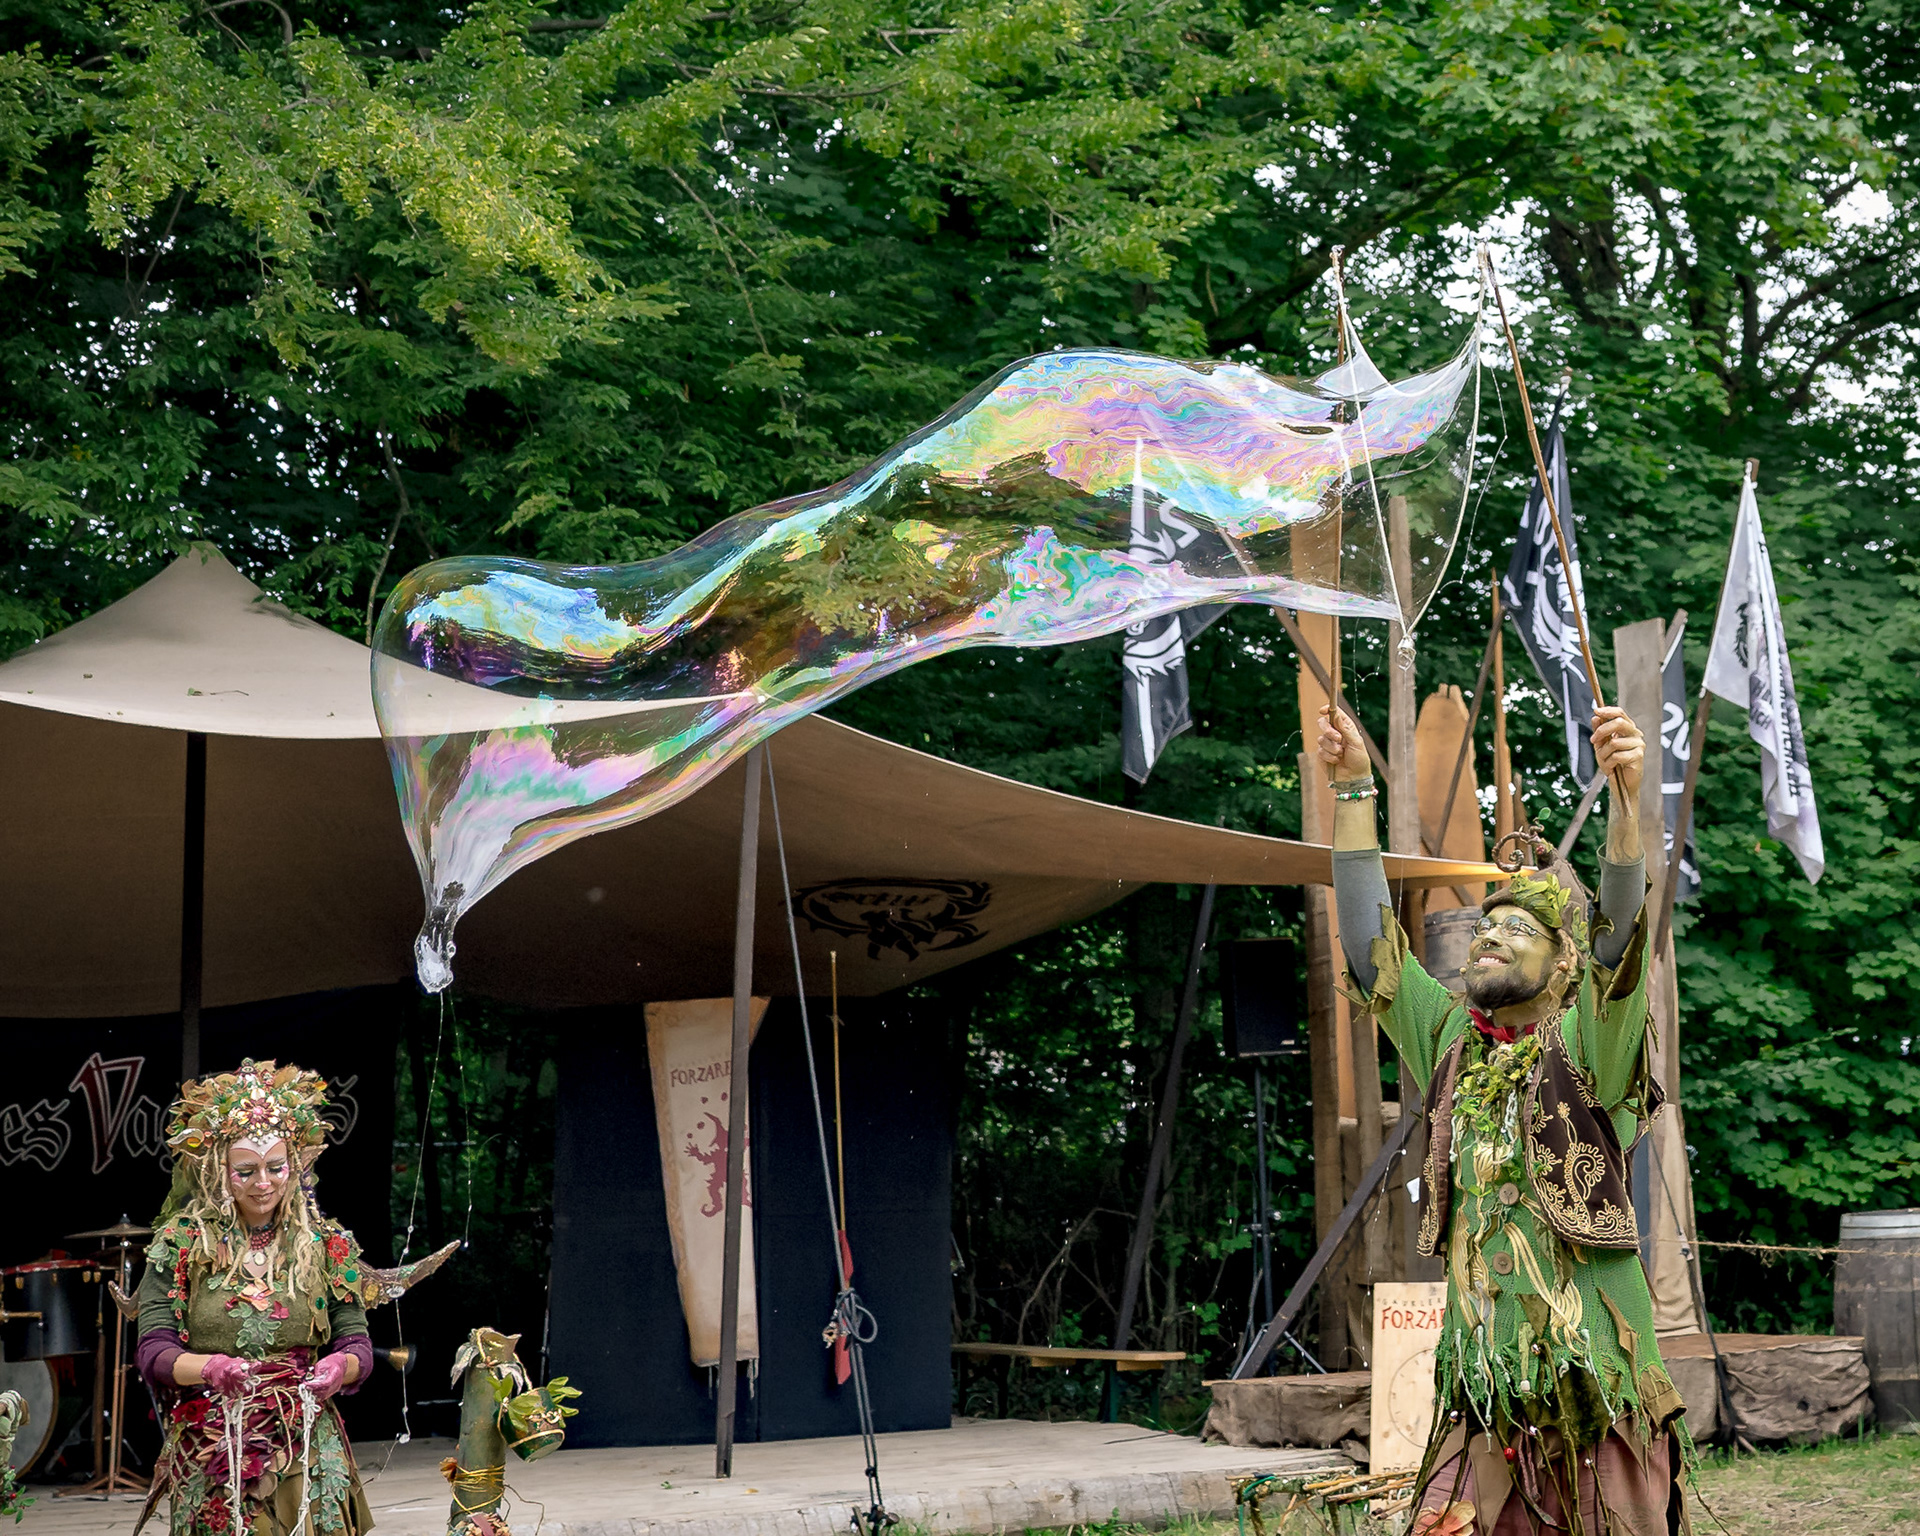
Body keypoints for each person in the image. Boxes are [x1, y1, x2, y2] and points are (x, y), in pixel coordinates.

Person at [1317, 701, 1691, 1536]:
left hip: (1599, 1388)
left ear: (1564, 964)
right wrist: (1351, 792)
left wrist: (1627, 803)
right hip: (1484, 1396)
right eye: (1486, 924)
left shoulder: (1593, 1038)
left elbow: (1620, 943)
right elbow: (1369, 948)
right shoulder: (1448, 1036)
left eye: (1519, 927)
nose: (1491, 936)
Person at [133, 1060, 398, 1536]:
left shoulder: (326, 1244)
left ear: (295, 1166)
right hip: (214, 1440)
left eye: (276, 1167)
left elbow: (356, 1344)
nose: (263, 1183)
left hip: (305, 1443)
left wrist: (339, 1369)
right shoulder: (180, 1243)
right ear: (217, 1169)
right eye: (246, 1170)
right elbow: (153, 1350)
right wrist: (212, 1368)